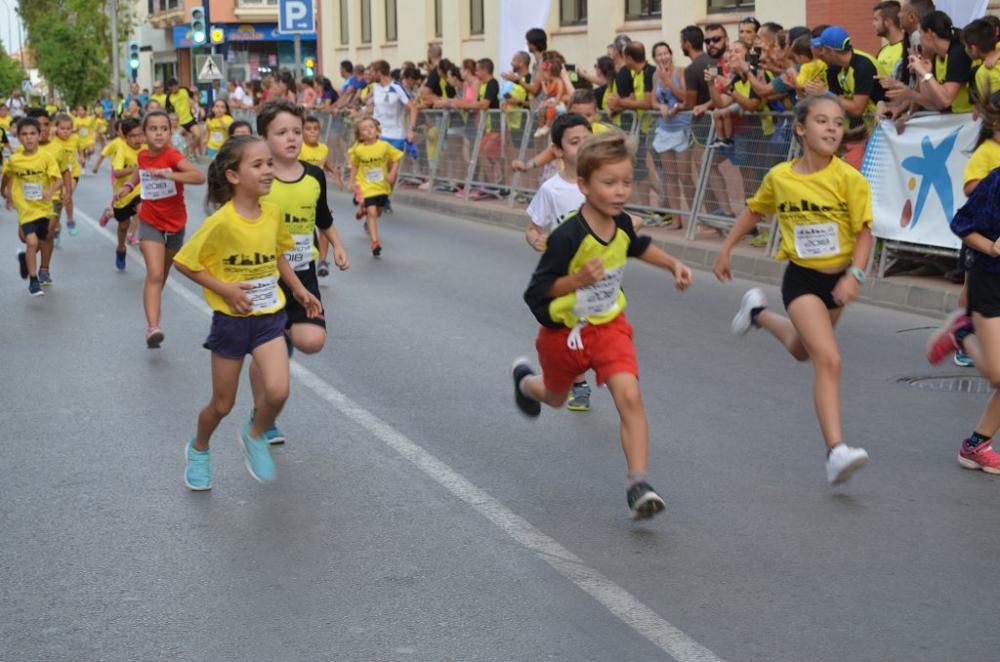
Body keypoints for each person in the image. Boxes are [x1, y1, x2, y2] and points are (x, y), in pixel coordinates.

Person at [512, 131, 693, 520]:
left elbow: (637, 245)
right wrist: (576, 281)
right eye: (609, 183)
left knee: (629, 395)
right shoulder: (567, 237)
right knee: (556, 397)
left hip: (609, 325)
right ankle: (526, 382)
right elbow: (536, 293)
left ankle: (638, 483)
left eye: (626, 182)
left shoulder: (622, 222)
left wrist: (673, 264)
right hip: (565, 333)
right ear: (584, 185)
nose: (620, 191)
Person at [713, 96, 873, 485]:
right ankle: (835, 451)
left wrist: (855, 275)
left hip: (837, 281)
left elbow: (865, 235)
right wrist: (726, 248)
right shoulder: (780, 178)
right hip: (801, 280)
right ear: (801, 128)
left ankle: (758, 314)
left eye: (837, 122)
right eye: (822, 121)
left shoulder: (850, 179)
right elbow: (754, 210)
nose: (832, 128)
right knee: (829, 359)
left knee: (803, 350)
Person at [173, 135, 321, 489]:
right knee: (222, 404)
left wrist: (300, 291)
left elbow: (278, 255)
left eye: (269, 163)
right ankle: (199, 447)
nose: (269, 170)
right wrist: (224, 289)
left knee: (278, 391)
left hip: (269, 317)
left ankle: (254, 434)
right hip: (231, 323)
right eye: (258, 165)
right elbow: (185, 264)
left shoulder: (272, 215)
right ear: (234, 175)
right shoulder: (221, 223)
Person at [252, 100, 350, 444]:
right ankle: (263, 415)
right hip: (265, 276)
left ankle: (283, 338)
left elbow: (322, 217)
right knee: (267, 350)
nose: (291, 138)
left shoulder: (314, 176)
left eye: (296, 131)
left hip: (303, 270)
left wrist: (336, 245)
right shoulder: (259, 178)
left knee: (312, 340)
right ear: (264, 138)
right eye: (281, 133)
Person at [116, 110, 206, 347]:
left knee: (162, 276)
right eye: (153, 129)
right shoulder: (143, 155)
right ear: (144, 133)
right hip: (150, 222)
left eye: (163, 129)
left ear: (170, 132)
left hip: (175, 224)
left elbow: (198, 177)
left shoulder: (172, 156)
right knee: (154, 274)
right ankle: (153, 327)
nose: (159, 133)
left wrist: (171, 176)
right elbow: (139, 170)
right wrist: (127, 186)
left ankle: (154, 311)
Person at [523, 113, 593, 411]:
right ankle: (578, 383)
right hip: (567, 277)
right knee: (575, 330)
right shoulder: (552, 189)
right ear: (560, 150)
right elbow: (532, 227)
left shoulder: (603, 179)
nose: (583, 146)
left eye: (588, 140)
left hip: (602, 274)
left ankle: (588, 378)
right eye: (575, 142)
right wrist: (539, 241)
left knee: (600, 331)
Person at [0, 116, 63, 296]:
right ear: (18, 137)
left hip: (44, 207)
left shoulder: (46, 157)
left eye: (32, 134)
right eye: (24, 134)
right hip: (26, 207)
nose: (29, 138)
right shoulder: (15, 159)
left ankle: (26, 260)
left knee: (43, 240)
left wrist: (50, 191)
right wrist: (4, 192)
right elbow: (7, 175)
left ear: (39, 135)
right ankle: (34, 281)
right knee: (31, 240)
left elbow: (58, 179)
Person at [651, 41, 692, 230]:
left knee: (685, 176)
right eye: (659, 54)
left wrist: (669, 83)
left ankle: (694, 217)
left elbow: (685, 96)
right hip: (664, 128)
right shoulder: (654, 76)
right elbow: (653, 100)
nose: (663, 57)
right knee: (670, 176)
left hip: (681, 127)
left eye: (665, 53)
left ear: (671, 54)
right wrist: (660, 106)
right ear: (654, 58)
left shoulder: (680, 72)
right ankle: (677, 219)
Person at [348, 117, 402, 257]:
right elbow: (355, 165)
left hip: (382, 186)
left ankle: (363, 209)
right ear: (360, 135)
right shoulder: (359, 150)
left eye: (371, 127)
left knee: (378, 213)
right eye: (364, 129)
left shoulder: (384, 146)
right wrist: (351, 181)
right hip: (366, 185)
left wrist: (391, 174)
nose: (369, 130)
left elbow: (396, 159)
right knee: (372, 213)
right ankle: (375, 242)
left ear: (377, 130)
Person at [108, 117, 144, 270]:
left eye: (139, 135)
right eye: (132, 136)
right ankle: (121, 247)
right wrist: (135, 169)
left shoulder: (146, 149)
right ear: (125, 136)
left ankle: (148, 244)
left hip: (140, 191)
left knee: (143, 211)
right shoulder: (122, 150)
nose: (137, 139)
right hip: (123, 194)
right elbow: (116, 172)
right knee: (123, 225)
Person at [368, 59, 417, 151]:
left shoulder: (397, 87)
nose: (371, 75)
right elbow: (374, 109)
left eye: (372, 73)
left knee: (393, 165)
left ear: (379, 72)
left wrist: (411, 130)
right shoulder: (375, 87)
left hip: (395, 136)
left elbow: (413, 108)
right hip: (378, 135)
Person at [165, 78, 203, 158]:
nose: (173, 89)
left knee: (198, 135)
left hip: (189, 120)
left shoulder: (184, 90)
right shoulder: (169, 97)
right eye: (171, 88)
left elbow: (194, 96)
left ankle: (191, 151)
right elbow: (168, 111)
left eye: (174, 87)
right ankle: (180, 154)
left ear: (177, 85)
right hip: (180, 123)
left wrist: (197, 105)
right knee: (175, 137)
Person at [873, 1, 906, 78]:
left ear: (888, 22)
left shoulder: (907, 48)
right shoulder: (882, 50)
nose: (873, 24)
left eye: (876, 20)